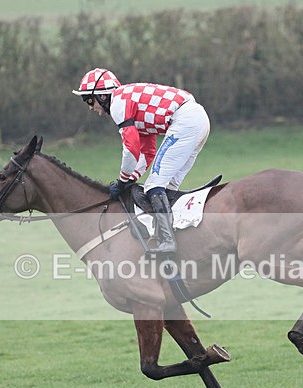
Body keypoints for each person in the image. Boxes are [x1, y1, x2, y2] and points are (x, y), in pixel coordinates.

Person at [72, 68, 210, 254]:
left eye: (89, 99)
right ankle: (178, 235)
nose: (90, 106)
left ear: (103, 96)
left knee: (154, 186)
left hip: (185, 120)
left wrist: (122, 181)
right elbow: (147, 152)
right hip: (197, 119)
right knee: (168, 187)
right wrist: (131, 178)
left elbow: (131, 149)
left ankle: (168, 241)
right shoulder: (131, 103)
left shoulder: (118, 103)